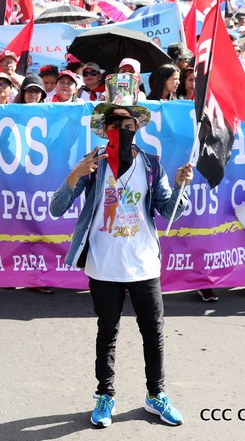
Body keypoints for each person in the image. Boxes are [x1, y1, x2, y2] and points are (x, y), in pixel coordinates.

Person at [49, 78, 193, 428]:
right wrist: (76, 174)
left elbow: (169, 210)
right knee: (107, 332)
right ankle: (105, 395)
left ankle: (156, 394)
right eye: (116, 123)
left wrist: (180, 187)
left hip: (144, 265)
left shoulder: (151, 164)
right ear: (105, 128)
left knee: (153, 333)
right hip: (104, 265)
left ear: (137, 128)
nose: (123, 130)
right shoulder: (93, 164)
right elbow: (56, 207)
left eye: (129, 125)